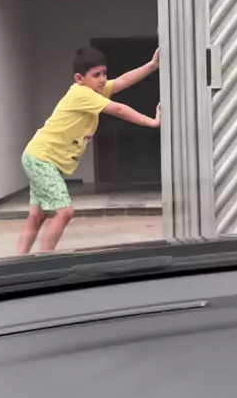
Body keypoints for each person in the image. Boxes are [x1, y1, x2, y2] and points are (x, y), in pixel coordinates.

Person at [17, 45, 160, 254]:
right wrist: (151, 122)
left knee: (37, 215)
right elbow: (118, 109)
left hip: (40, 157)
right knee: (65, 212)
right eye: (96, 75)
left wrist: (152, 65)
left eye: (104, 73)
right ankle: (44, 260)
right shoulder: (82, 94)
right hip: (42, 158)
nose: (102, 79)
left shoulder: (93, 91)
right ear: (79, 78)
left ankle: (21, 259)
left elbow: (121, 82)